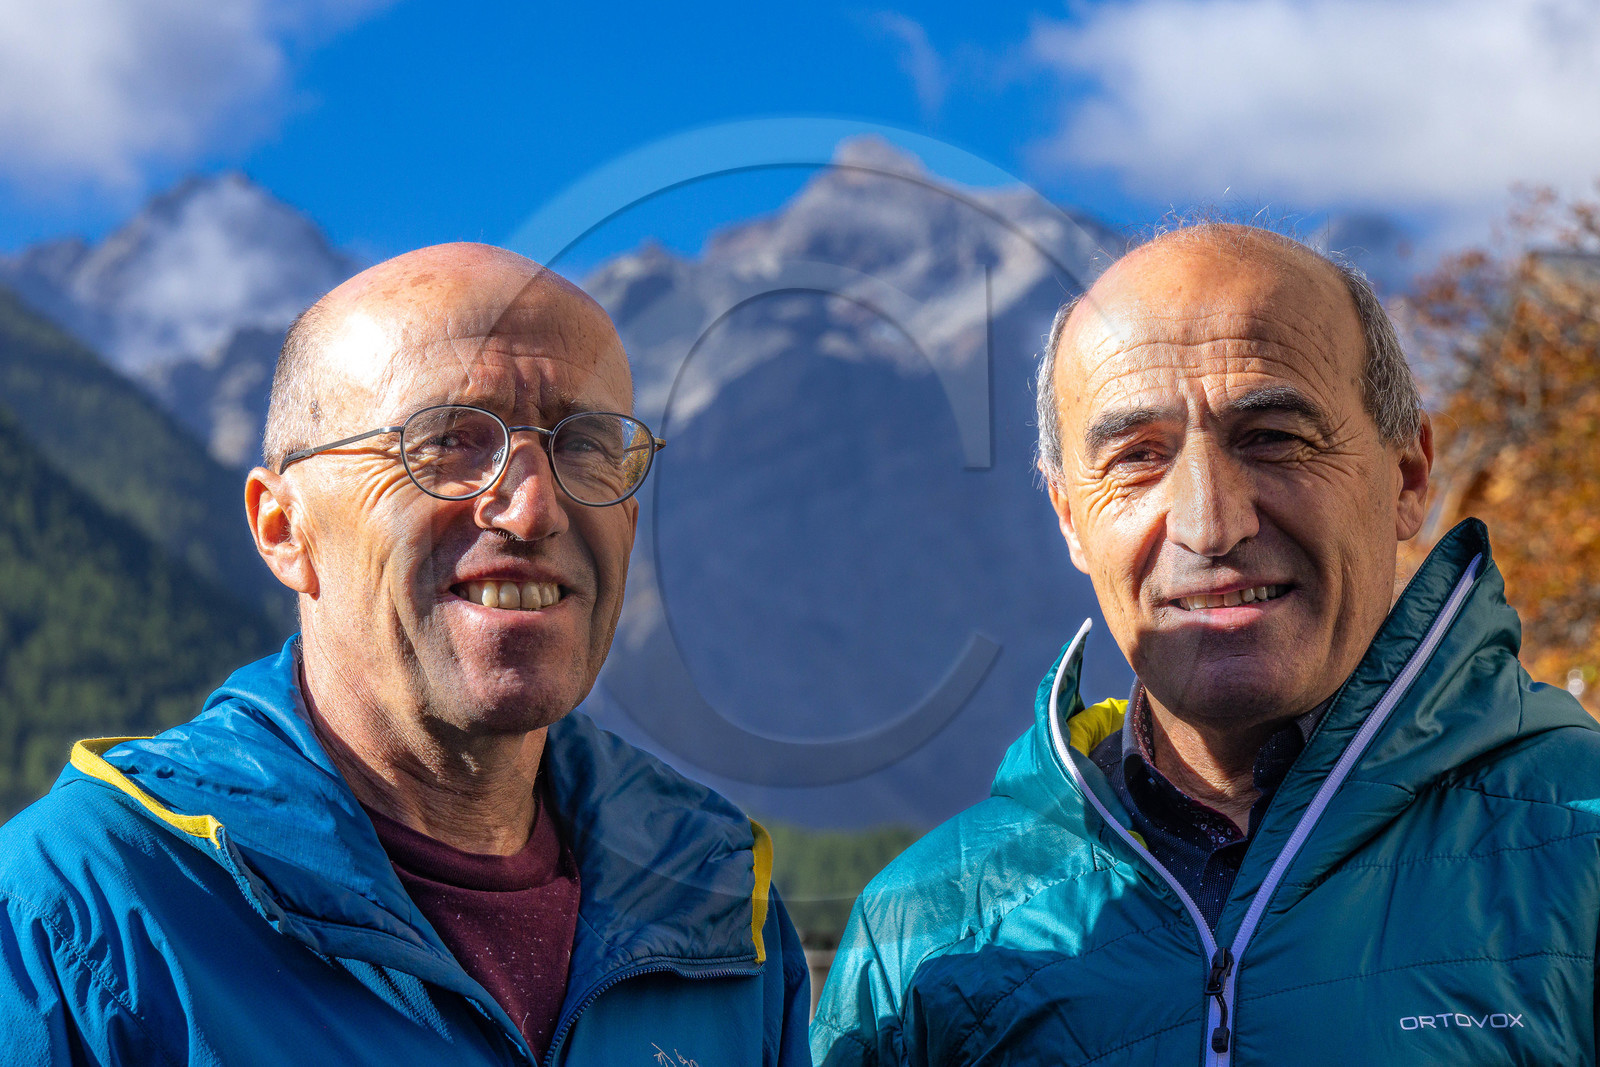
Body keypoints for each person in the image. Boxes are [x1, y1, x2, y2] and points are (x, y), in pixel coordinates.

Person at [0, 243, 811, 1066]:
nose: (534, 508)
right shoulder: (76, 911)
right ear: (283, 527)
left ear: (630, 524)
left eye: (584, 444)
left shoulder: (718, 900)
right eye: (449, 439)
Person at [812, 224, 1600, 1065]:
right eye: (1137, 457)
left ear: (1406, 477)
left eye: (1272, 438)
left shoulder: (1578, 851)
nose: (1211, 523)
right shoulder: (923, 930)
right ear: (1071, 519)